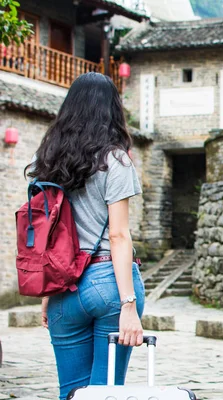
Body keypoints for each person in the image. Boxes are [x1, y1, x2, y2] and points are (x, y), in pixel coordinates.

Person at [25, 72, 145, 400]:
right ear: (111, 110)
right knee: (105, 393)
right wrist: (128, 305)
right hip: (108, 283)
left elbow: (49, 234)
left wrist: (50, 291)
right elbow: (119, 235)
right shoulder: (115, 161)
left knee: (72, 393)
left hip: (64, 288)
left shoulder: (45, 161)